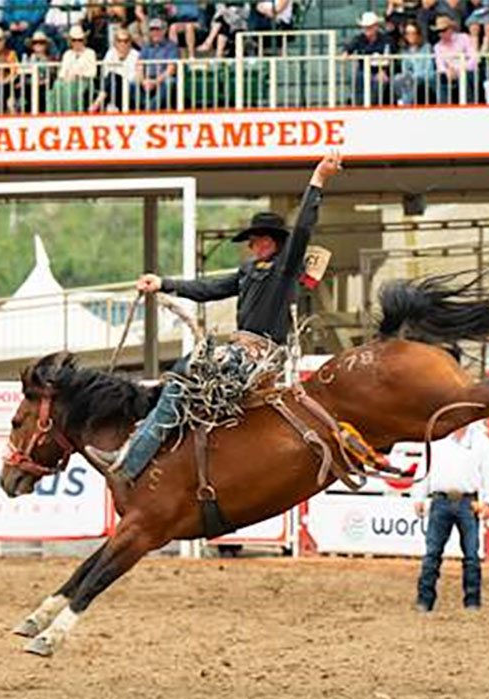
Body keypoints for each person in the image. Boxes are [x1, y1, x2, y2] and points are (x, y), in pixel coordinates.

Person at [86, 152, 343, 481]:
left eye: (260, 239)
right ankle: (148, 451)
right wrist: (164, 283)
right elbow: (207, 288)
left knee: (184, 376)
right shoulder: (248, 271)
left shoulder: (285, 267)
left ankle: (131, 461)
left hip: (258, 355)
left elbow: (304, 226)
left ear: (274, 242)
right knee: (180, 376)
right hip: (241, 352)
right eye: (253, 241)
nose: (254, 245)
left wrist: (317, 180)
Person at [414, 422, 489, 612]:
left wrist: (488, 501)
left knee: (471, 555)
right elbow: (424, 468)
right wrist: (419, 496)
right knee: (432, 554)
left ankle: (471, 600)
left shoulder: (481, 442)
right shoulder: (437, 440)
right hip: (441, 500)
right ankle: (425, 600)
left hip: (467, 502)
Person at [342, 12, 392, 106]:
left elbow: (389, 56)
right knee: (358, 78)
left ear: (376, 27)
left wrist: (384, 71)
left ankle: (372, 107)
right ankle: (358, 106)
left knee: (379, 83)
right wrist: (347, 52)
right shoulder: (359, 38)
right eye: (365, 27)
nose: (367, 30)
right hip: (363, 70)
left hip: (379, 71)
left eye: (369, 27)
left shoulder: (385, 40)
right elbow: (350, 46)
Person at [89, 27, 138, 111]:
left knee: (114, 78)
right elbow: (105, 73)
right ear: (115, 43)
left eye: (126, 41)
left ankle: (96, 105)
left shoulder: (136, 55)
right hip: (111, 89)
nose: (123, 44)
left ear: (130, 43)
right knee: (110, 80)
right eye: (119, 41)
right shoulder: (110, 53)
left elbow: (132, 78)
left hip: (129, 90)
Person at [135, 17, 178, 110]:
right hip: (148, 78)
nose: (155, 33)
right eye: (152, 30)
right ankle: (143, 107)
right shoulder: (146, 47)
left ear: (164, 31)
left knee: (169, 82)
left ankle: (150, 109)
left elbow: (171, 69)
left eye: (158, 30)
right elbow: (139, 66)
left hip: (163, 78)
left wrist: (156, 82)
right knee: (132, 84)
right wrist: (143, 81)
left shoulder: (171, 46)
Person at [432, 14, 476, 103]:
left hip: (466, 71)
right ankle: (443, 109)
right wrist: (447, 72)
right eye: (439, 31)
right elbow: (440, 65)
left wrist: (460, 70)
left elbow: (473, 59)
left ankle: (469, 106)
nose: (441, 34)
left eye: (444, 30)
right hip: (449, 73)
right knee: (438, 78)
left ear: (451, 29)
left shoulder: (464, 38)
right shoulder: (438, 46)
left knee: (465, 77)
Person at [393, 21, 434, 105]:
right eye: (408, 33)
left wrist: (412, 76)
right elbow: (405, 69)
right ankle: (402, 101)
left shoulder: (426, 48)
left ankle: (405, 104)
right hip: (409, 80)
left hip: (425, 77)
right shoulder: (404, 51)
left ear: (418, 34)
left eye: (413, 33)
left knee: (410, 82)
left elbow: (428, 68)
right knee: (397, 79)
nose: (410, 36)